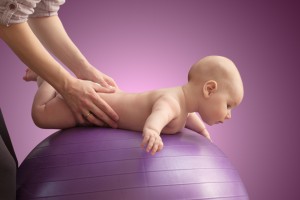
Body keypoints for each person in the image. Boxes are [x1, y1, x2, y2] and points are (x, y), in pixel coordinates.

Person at [25, 55, 244, 155]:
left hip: (104, 101)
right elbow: (160, 114)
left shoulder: (184, 106)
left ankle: (52, 78)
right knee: (41, 114)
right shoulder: (172, 102)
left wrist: (203, 132)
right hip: (94, 106)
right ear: (209, 89)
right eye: (228, 105)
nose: (229, 115)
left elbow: (188, 118)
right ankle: (45, 78)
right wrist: (152, 131)